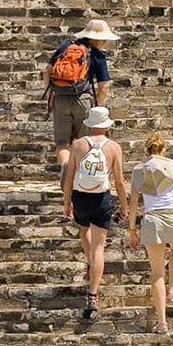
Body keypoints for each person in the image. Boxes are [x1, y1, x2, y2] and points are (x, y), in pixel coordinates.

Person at [63, 106, 128, 319]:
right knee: (99, 246)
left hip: (81, 197)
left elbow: (69, 176)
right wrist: (124, 206)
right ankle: (93, 294)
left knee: (84, 231)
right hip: (102, 198)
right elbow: (119, 180)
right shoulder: (114, 148)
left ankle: (90, 264)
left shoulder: (78, 145)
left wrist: (67, 203)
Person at [43, 19, 119, 187]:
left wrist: (50, 95)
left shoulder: (66, 47)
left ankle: (65, 166)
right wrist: (98, 107)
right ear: (98, 39)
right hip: (83, 101)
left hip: (61, 99)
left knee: (62, 143)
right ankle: (77, 177)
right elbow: (103, 86)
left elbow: (47, 71)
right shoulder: (97, 56)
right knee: (84, 142)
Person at [128, 134, 173, 334]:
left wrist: (132, 230)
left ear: (147, 150)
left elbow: (134, 202)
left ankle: (162, 322)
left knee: (156, 273)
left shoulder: (139, 169)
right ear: (164, 150)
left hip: (153, 218)